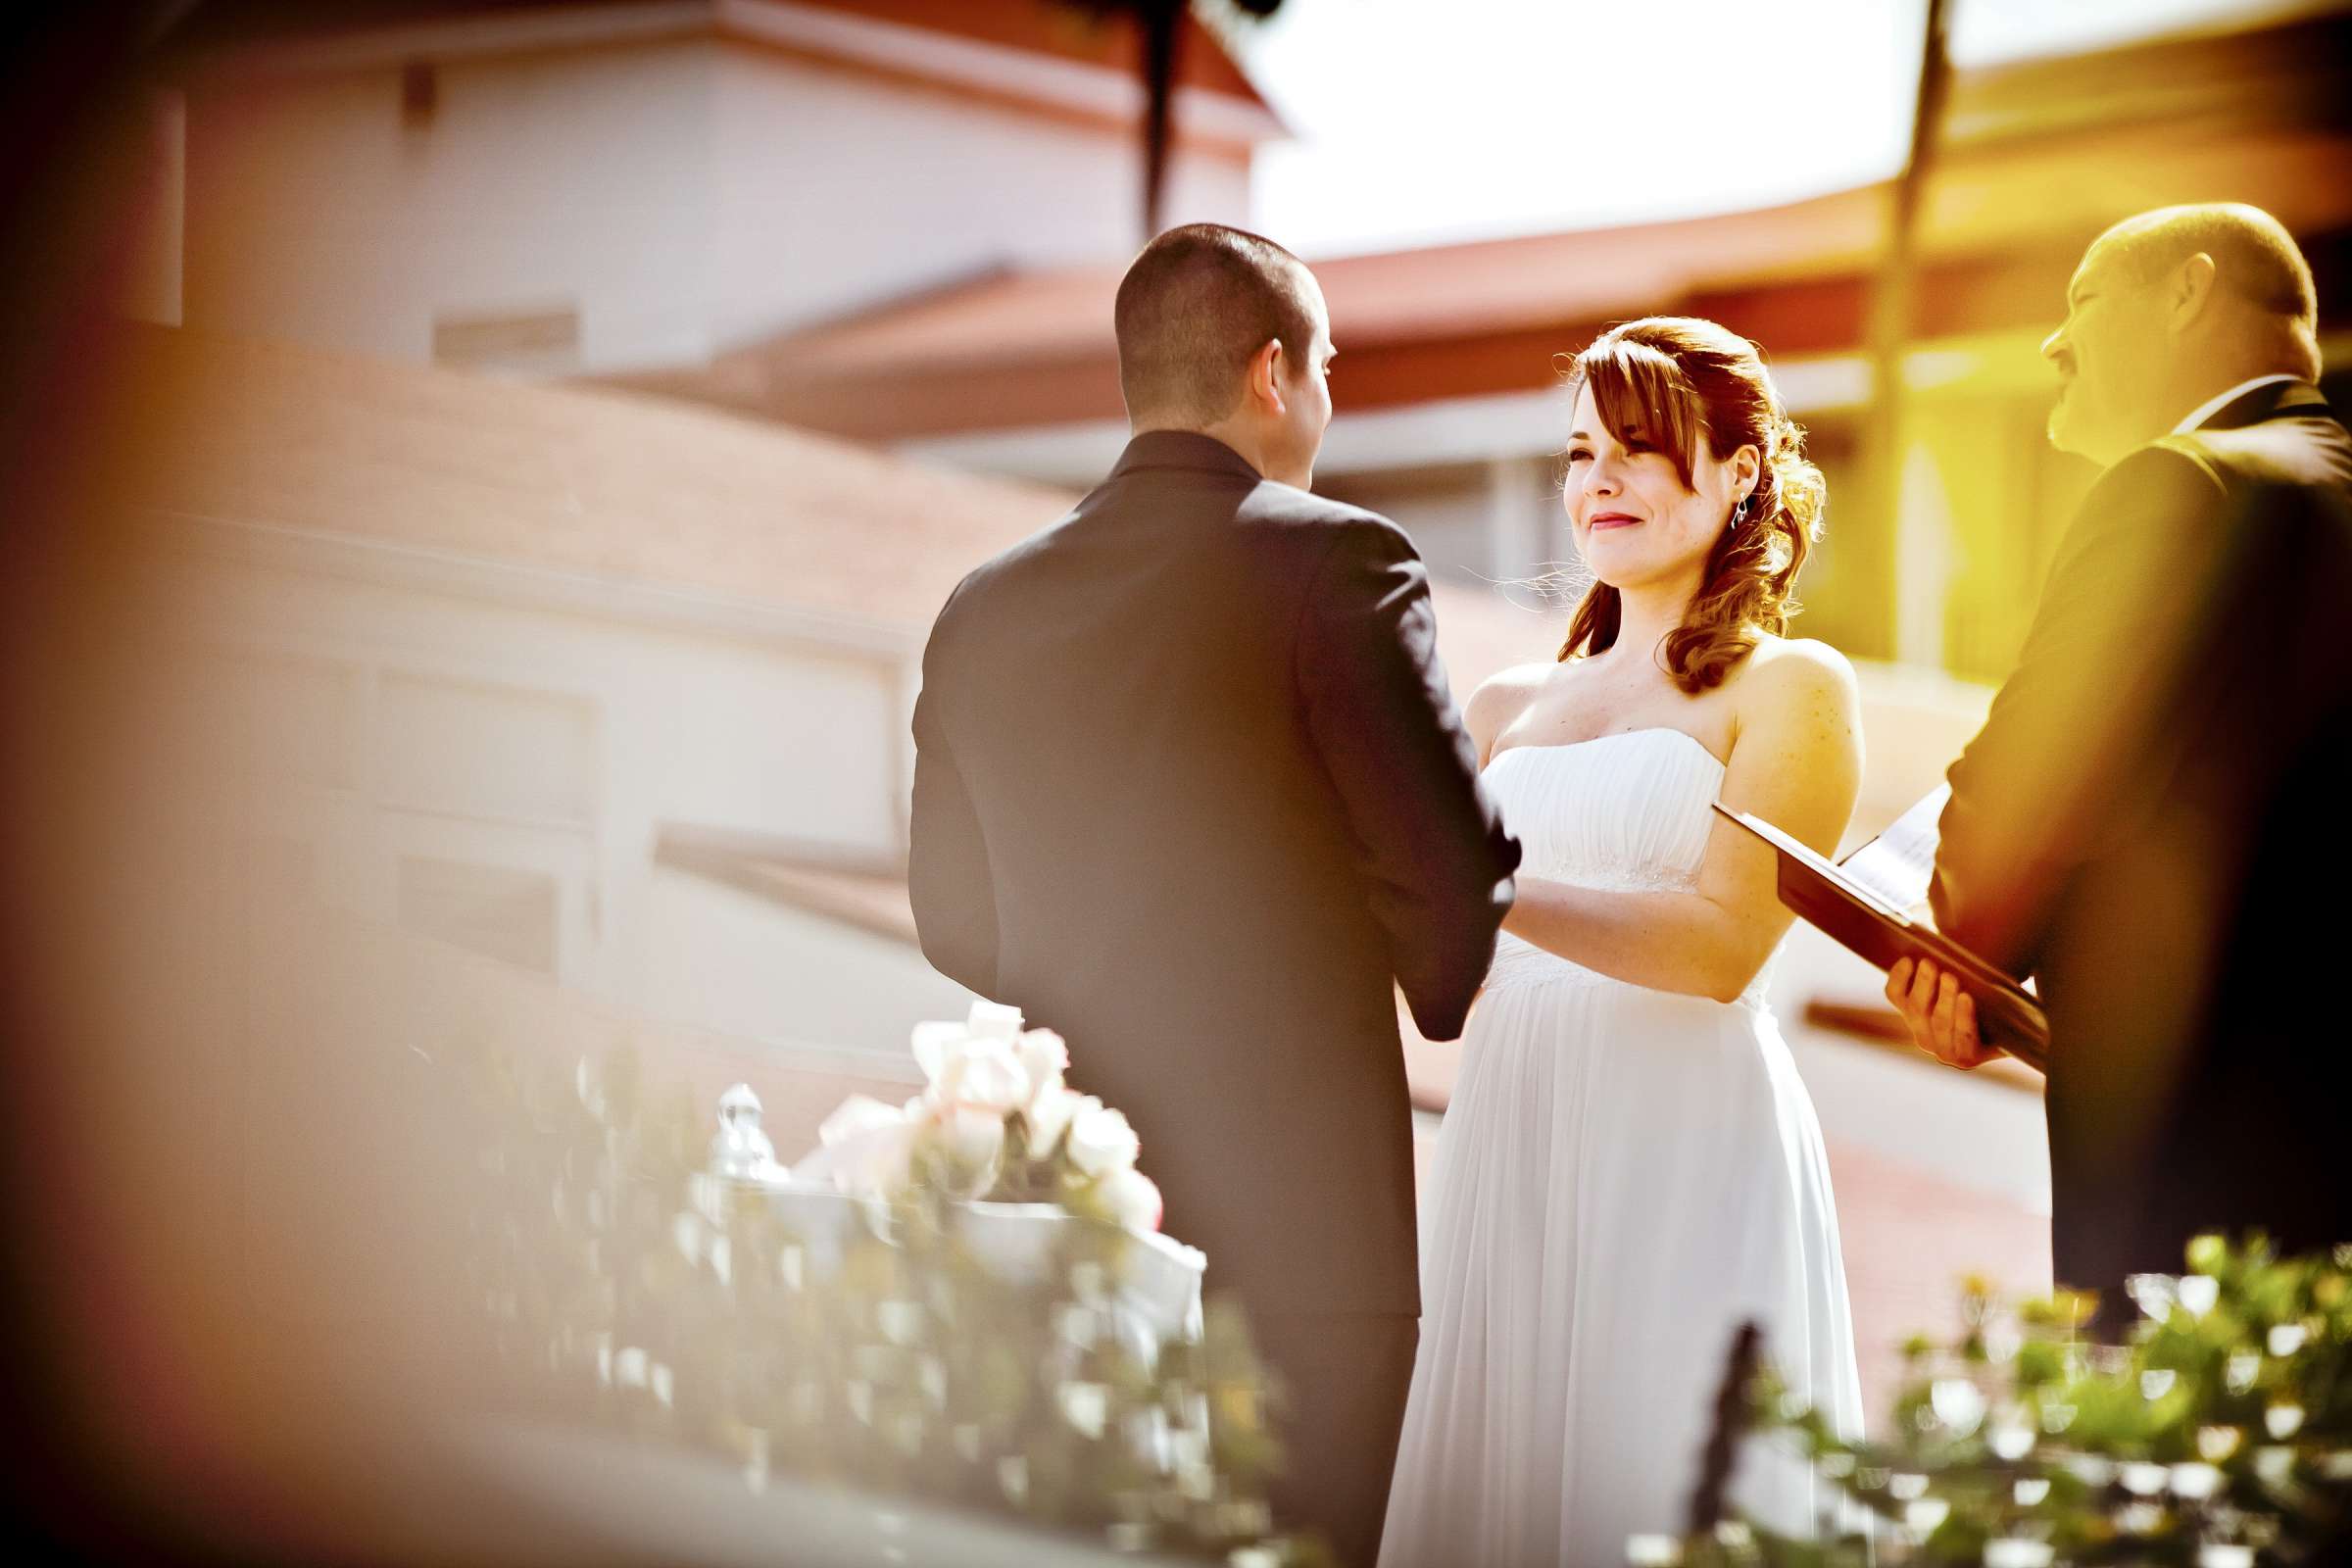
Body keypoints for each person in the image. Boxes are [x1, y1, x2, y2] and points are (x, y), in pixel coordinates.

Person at [906, 222, 1520, 1568]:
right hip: (1299, 1245)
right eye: (1330, 365)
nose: (1332, 396)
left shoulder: (981, 610)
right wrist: (1431, 966)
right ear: (1271, 376)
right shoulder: (1340, 565)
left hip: (1058, 1215)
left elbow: (950, 916)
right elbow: (1450, 891)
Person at [1380, 318, 1865, 1566]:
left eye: (1640, 448)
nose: (1598, 479)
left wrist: (1482, 884)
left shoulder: (1791, 688)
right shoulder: (1502, 706)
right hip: (1513, 1123)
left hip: (1685, 1133)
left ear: (1743, 471)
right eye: (1582, 450)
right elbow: (1426, 952)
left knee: (1666, 1473)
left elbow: (1720, 947)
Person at [1887, 203, 2352, 1303]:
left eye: (2082, 301)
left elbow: (2004, 831)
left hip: (2208, 1188)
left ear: (2189, 291)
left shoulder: (2177, 483)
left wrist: (1966, 947)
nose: (2053, 344)